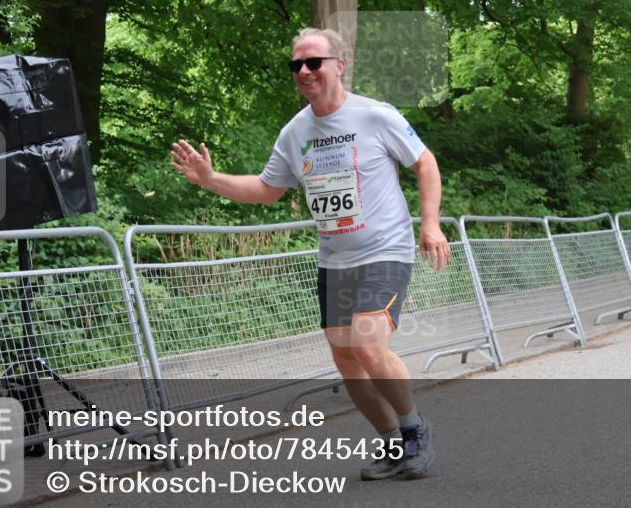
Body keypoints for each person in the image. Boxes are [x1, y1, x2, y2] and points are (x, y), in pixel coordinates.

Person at [170, 27, 449, 481]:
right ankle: (393, 443)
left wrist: (430, 224)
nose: (303, 71)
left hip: (385, 250)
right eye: (296, 64)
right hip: (335, 260)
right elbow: (266, 189)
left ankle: (416, 429)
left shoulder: (376, 116)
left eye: (314, 62)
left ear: (339, 65)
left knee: (367, 341)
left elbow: (426, 163)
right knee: (345, 357)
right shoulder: (295, 132)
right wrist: (209, 179)